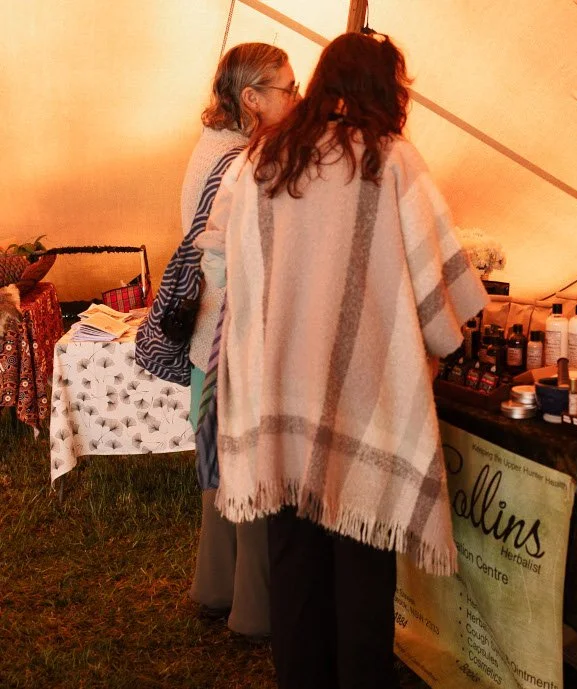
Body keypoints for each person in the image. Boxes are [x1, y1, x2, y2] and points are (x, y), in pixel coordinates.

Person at [199, 32, 488, 688]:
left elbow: (223, 256)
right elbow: (440, 290)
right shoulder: (391, 159)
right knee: (362, 561)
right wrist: (440, 337)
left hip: (278, 392)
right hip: (365, 396)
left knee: (293, 555)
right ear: (384, 89)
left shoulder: (262, 158)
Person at [182, 42, 299, 639]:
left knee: (218, 468)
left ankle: (216, 588)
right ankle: (256, 611)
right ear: (252, 98)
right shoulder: (244, 160)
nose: (297, 98)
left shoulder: (212, 146)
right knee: (249, 469)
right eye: (288, 88)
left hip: (210, 334)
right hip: (233, 337)